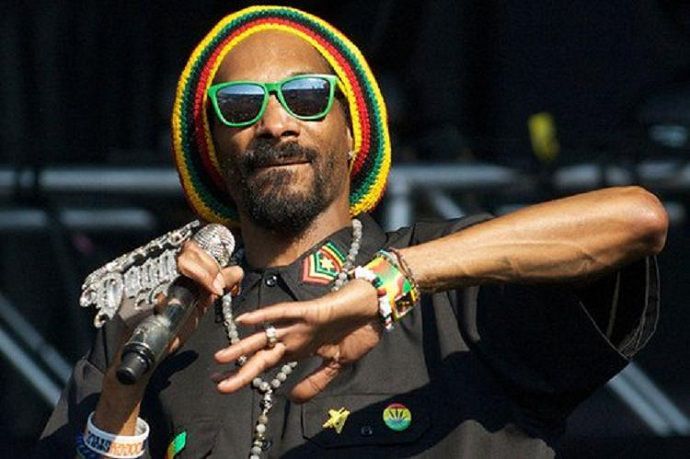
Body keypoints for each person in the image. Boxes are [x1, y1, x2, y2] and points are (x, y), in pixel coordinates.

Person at [36, 5, 668, 459]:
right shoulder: (155, 331)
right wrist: (122, 397)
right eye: (241, 105)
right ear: (213, 153)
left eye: (307, 96)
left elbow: (637, 220)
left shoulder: (452, 286)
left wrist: (394, 281)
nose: (276, 123)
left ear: (352, 132)